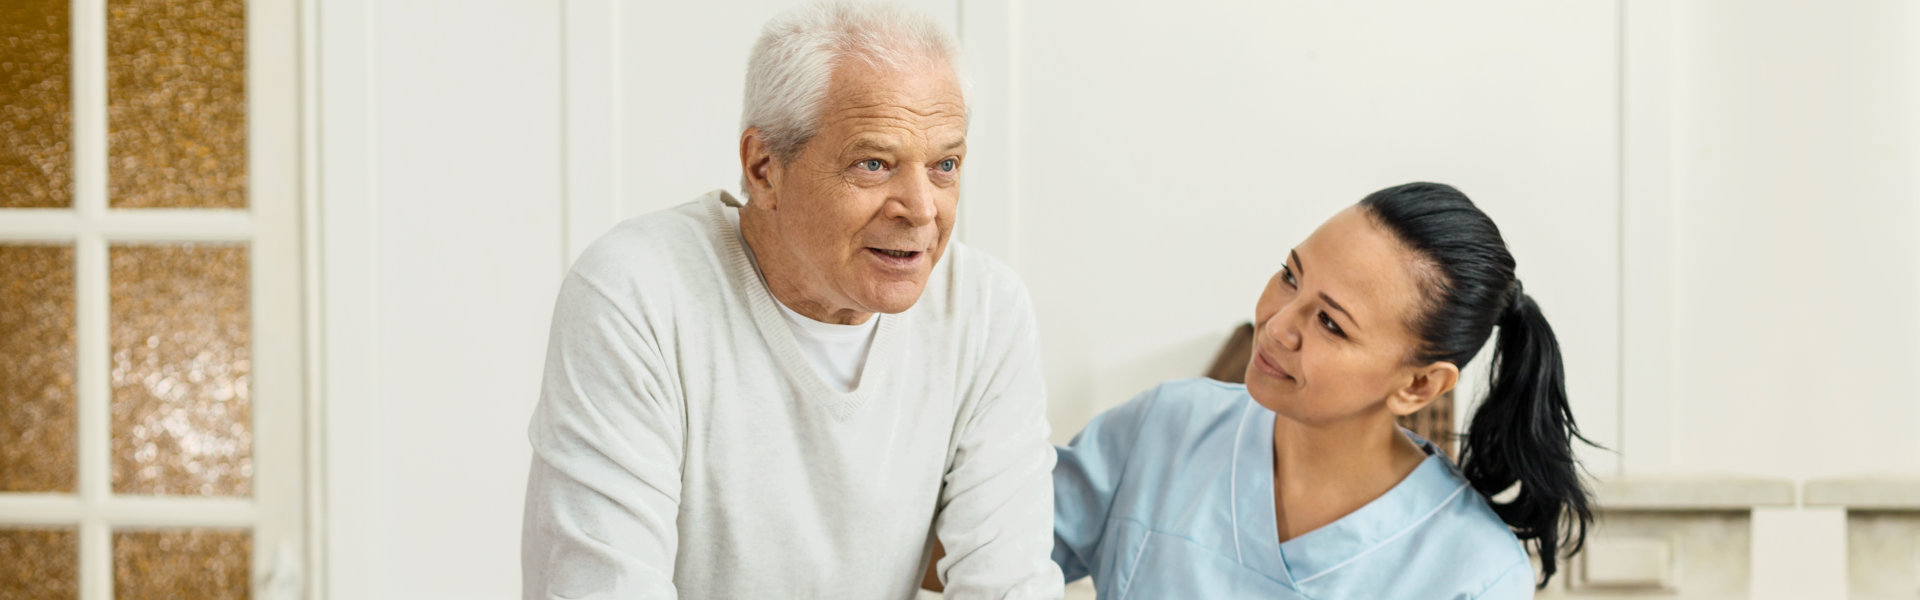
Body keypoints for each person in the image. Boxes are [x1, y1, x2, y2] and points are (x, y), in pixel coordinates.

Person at [520, 2, 1062, 598]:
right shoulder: (635, 293)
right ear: (764, 168)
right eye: (874, 163)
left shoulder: (986, 311)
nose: (922, 208)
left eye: (945, 165)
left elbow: (1010, 584)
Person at [1051, 182, 1592, 599]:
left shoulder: (1473, 573)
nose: (1279, 325)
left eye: (1330, 323)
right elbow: (987, 548)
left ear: (1420, 384)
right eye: (1290, 275)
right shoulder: (1165, 429)